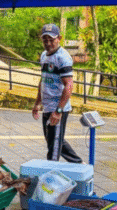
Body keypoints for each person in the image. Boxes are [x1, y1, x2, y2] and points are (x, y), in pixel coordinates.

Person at [32, 23, 82, 163]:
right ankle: (78, 163)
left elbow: (69, 85)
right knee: (52, 139)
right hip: (47, 106)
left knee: (53, 150)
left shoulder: (63, 58)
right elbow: (43, 81)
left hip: (58, 107)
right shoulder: (44, 56)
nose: (48, 43)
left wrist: (58, 111)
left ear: (59, 38)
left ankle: (50, 180)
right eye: (45, 40)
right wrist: (37, 103)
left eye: (51, 39)